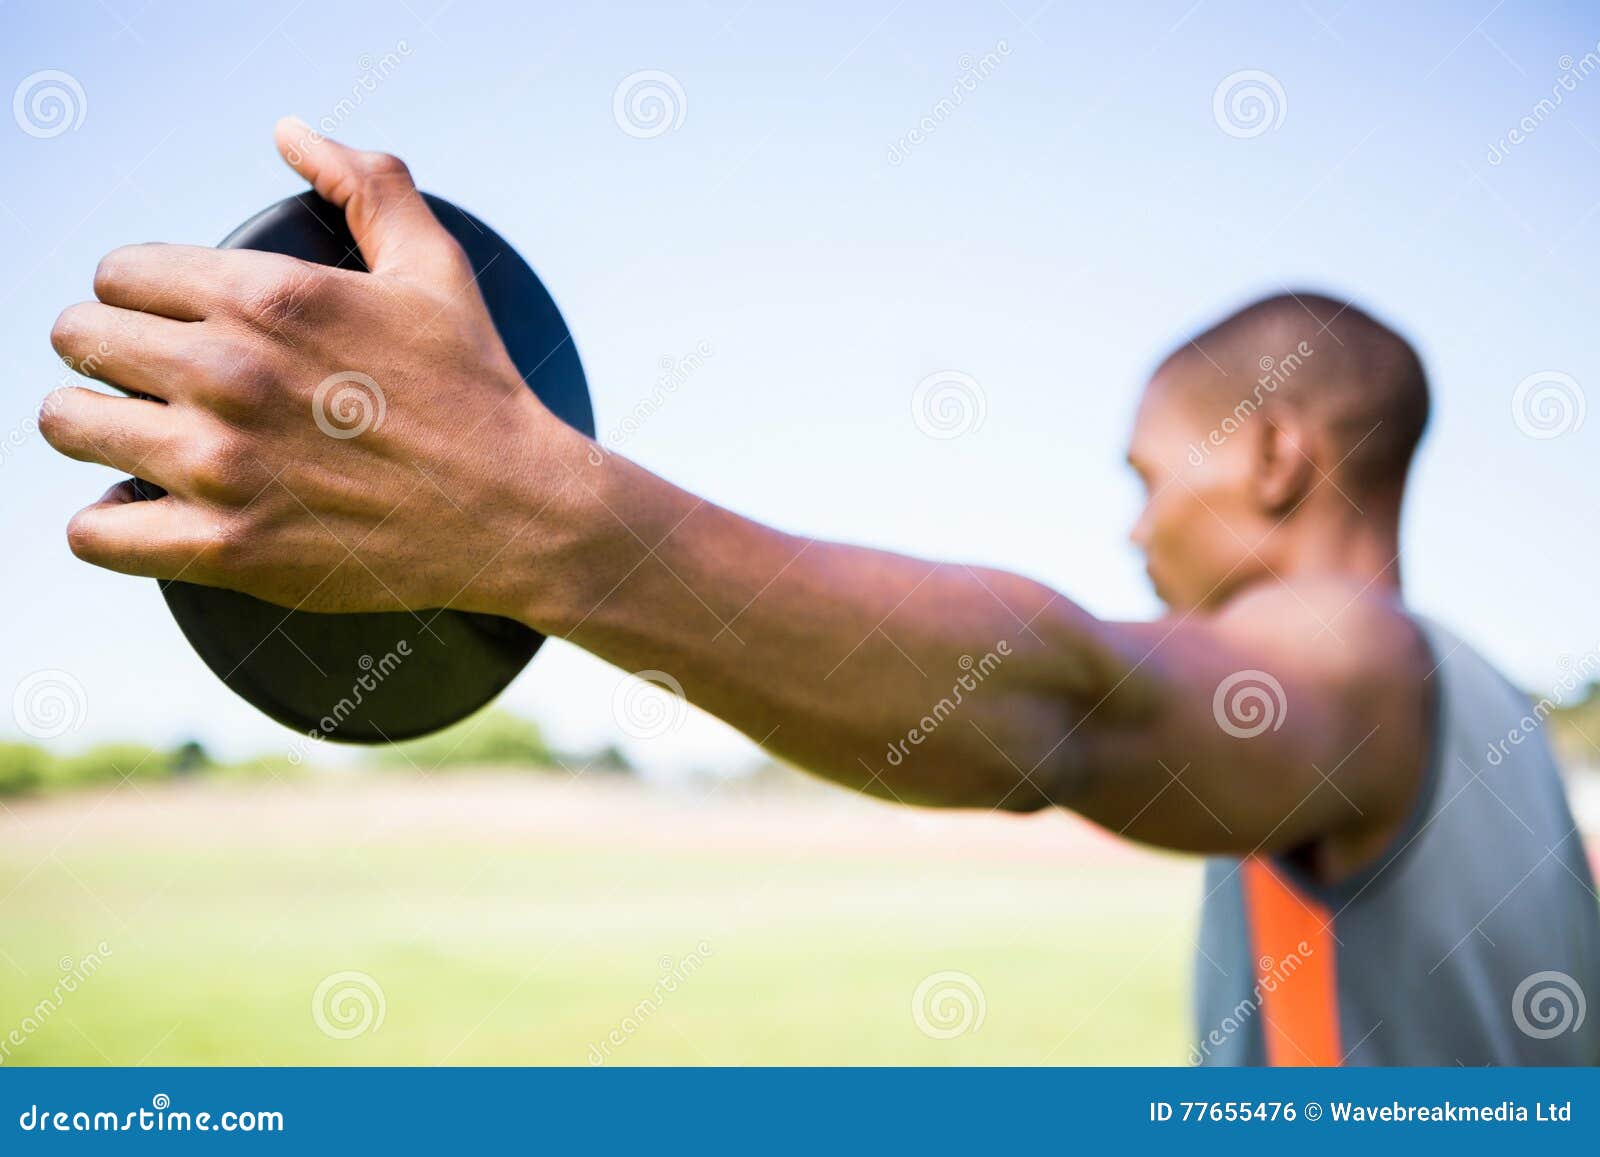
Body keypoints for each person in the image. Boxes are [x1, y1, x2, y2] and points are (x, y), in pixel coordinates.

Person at [39, 121, 1600, 1066]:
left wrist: (542, 523)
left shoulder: (1360, 669)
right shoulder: (1483, 720)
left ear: (1271, 458)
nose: (1133, 536)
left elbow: (1070, 711)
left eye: (1147, 479)